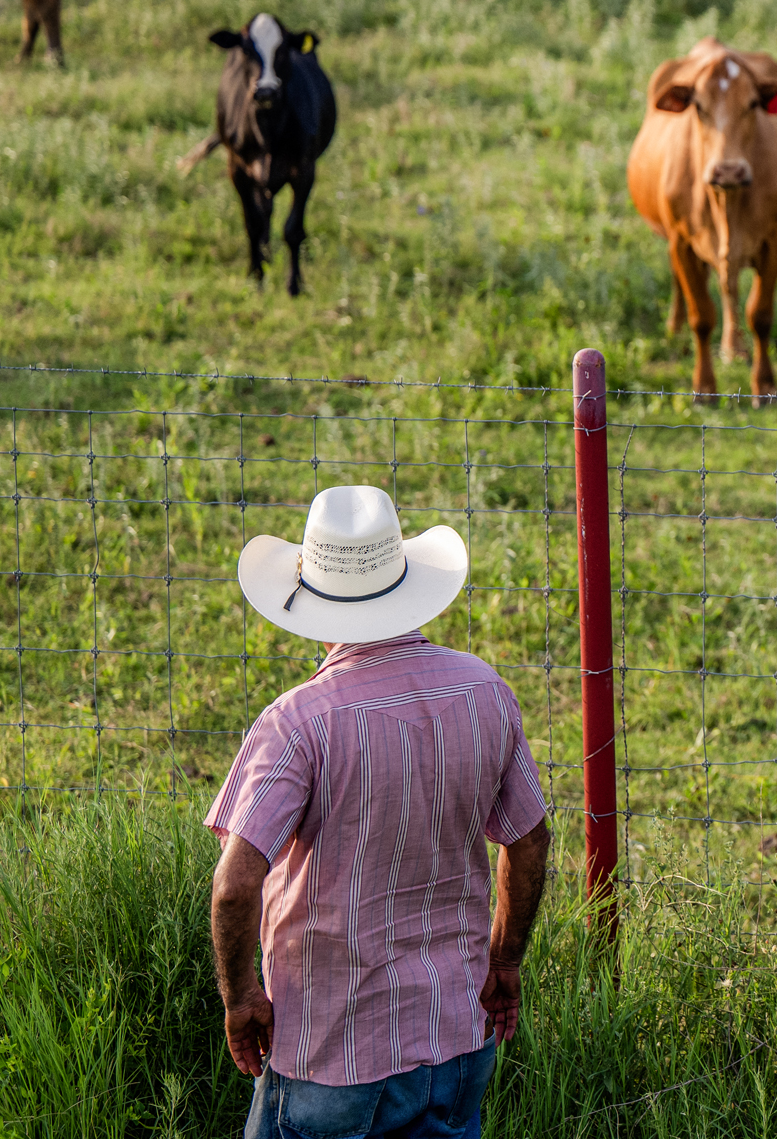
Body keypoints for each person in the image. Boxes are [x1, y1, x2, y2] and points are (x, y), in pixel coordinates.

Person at [206, 485, 550, 1139]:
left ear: (312, 597)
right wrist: (503, 961)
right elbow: (529, 840)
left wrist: (241, 995)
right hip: (456, 1034)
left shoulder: (299, 721)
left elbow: (234, 884)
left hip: (331, 1054)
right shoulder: (484, 690)